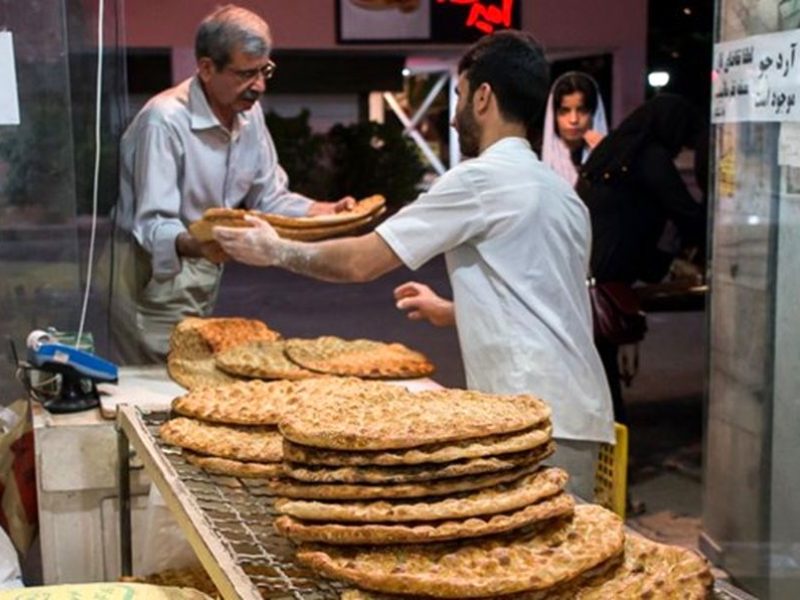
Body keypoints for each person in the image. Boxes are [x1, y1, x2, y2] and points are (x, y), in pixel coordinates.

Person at [214, 30, 615, 499]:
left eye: (460, 96)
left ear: (484, 97)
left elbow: (362, 261)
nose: (453, 117)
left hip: (530, 416)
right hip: (580, 415)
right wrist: (452, 310)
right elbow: (546, 297)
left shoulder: (481, 180)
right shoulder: (560, 193)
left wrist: (276, 249)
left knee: (525, 561)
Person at [110, 4, 354, 364]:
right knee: (161, 382)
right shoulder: (164, 122)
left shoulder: (248, 113)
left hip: (204, 262)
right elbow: (152, 223)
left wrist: (324, 211)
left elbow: (268, 195)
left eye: (265, 71)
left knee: (193, 374)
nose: (259, 86)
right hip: (153, 271)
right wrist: (201, 243)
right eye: (245, 74)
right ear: (207, 68)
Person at [574, 93, 707, 422]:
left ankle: (602, 449)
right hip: (605, 279)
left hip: (581, 270)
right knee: (605, 379)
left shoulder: (610, 151)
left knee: (595, 374)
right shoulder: (649, 157)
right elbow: (686, 213)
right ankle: (609, 453)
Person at [541, 71, 608, 187]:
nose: (573, 120)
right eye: (564, 111)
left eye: (582, 111)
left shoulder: (612, 156)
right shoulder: (537, 159)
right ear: (553, 115)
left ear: (594, 114)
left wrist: (604, 156)